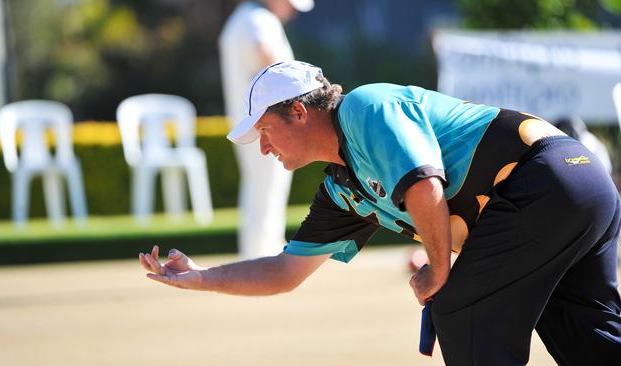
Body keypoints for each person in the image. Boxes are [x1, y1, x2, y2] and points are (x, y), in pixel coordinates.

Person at [139, 61, 621, 365]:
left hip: (546, 179)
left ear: (300, 112)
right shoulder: (341, 188)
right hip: (582, 184)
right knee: (586, 334)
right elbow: (287, 271)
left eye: (265, 130)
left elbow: (423, 183)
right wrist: (201, 277)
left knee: (459, 308)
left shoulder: (367, 107)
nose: (263, 147)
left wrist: (438, 269)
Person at [218, 0, 314, 259]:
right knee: (268, 186)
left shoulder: (243, 18)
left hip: (254, 119)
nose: (292, 11)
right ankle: (264, 256)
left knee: (261, 186)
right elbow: (265, 52)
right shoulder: (259, 20)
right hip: (267, 121)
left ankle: (262, 253)